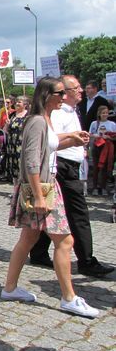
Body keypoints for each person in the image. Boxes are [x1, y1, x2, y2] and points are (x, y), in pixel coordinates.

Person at [2, 76, 99, 318]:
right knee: (64, 242)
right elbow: (32, 160)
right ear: (47, 95)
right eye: (60, 93)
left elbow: (50, 147)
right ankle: (69, 298)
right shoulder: (37, 121)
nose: (64, 97)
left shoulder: (44, 119)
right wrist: (38, 196)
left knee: (28, 239)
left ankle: (10, 288)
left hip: (45, 186)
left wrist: (71, 139)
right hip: (42, 188)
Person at [29, 75, 114, 277]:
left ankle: (39, 251)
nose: (81, 91)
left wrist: (77, 140)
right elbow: (49, 142)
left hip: (70, 166)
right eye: (75, 88)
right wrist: (73, 140)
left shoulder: (70, 111)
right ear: (64, 93)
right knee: (78, 214)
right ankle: (86, 260)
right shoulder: (56, 114)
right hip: (62, 166)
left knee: (54, 212)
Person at [89, 105, 116, 196]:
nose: (105, 114)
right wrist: (95, 135)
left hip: (107, 147)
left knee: (105, 167)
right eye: (103, 113)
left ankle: (103, 187)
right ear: (99, 114)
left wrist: (108, 137)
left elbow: (114, 136)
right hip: (97, 146)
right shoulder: (94, 123)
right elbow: (90, 134)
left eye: (106, 113)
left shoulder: (112, 124)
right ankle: (95, 187)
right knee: (96, 167)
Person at [5, 95, 29, 183]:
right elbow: (5, 131)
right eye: (16, 102)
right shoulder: (12, 115)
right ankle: (15, 190)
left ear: (25, 105)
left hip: (22, 145)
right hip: (12, 145)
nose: (17, 103)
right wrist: (7, 124)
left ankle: (23, 188)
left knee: (22, 167)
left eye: (19, 102)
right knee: (14, 168)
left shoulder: (28, 116)